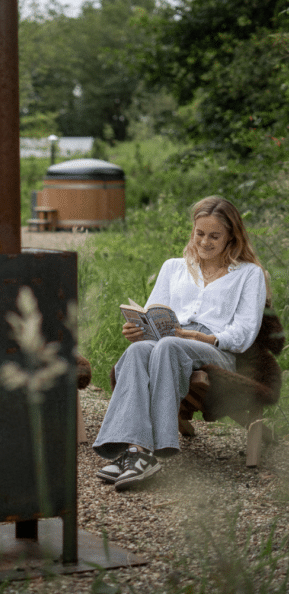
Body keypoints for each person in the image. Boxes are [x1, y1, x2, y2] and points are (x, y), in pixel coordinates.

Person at [93, 196, 268, 491]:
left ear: (231, 237)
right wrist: (138, 329)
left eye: (215, 236)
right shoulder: (173, 268)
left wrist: (200, 336)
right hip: (169, 340)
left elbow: (245, 332)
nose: (205, 242)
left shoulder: (248, 274)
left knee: (168, 346)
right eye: (200, 234)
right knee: (138, 350)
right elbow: (151, 314)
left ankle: (156, 450)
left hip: (216, 349)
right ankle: (136, 451)